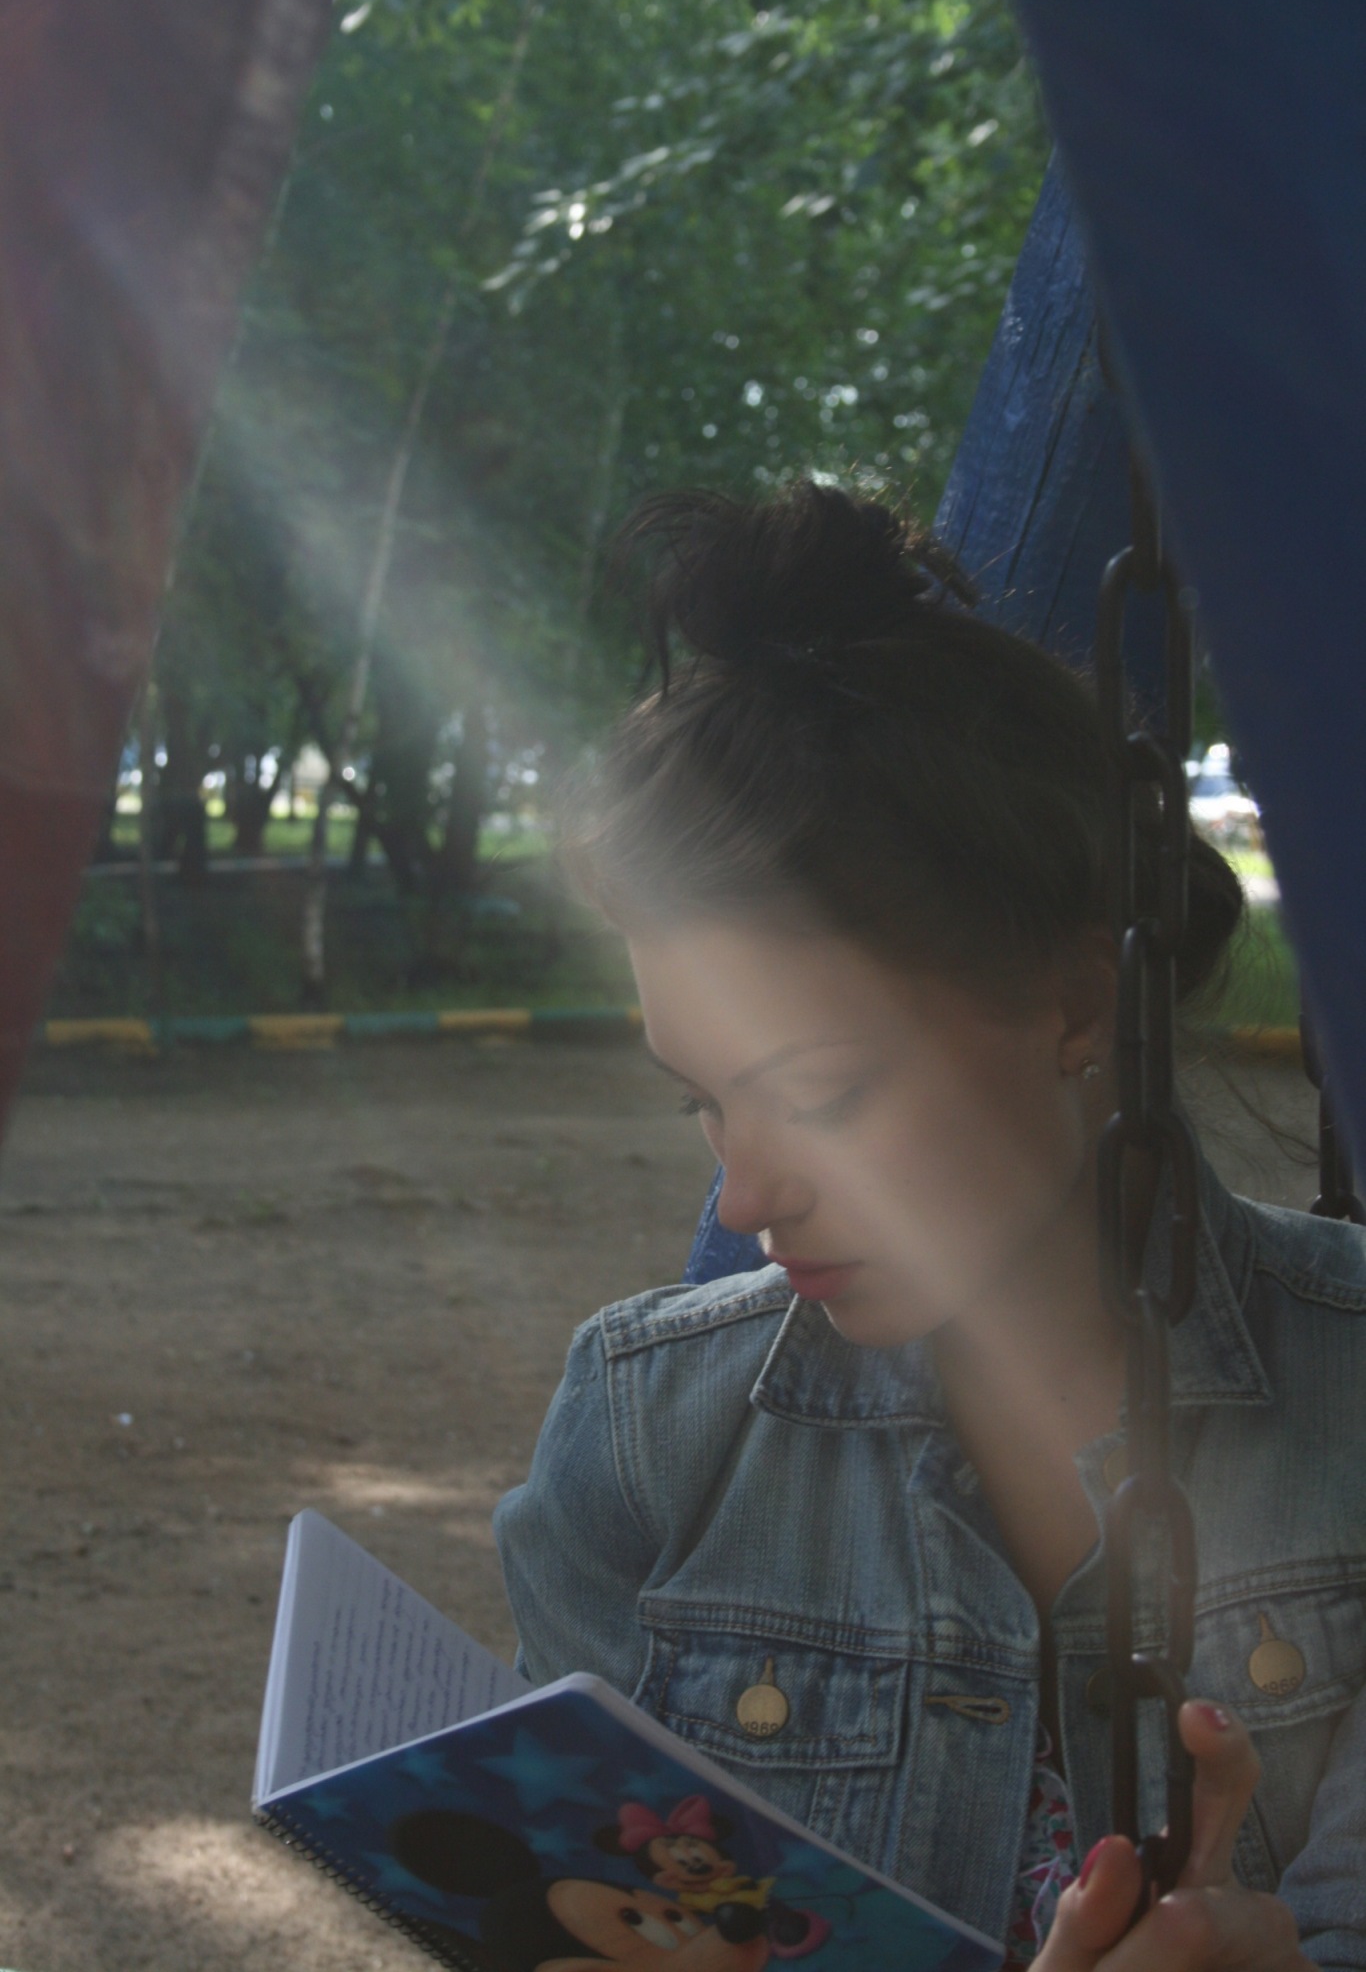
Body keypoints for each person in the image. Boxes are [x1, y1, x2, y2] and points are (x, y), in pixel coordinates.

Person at [493, 482, 1364, 1971]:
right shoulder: (641, 1442)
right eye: (702, 1101)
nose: (742, 1199)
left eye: (820, 1093)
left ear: (1076, 1002)